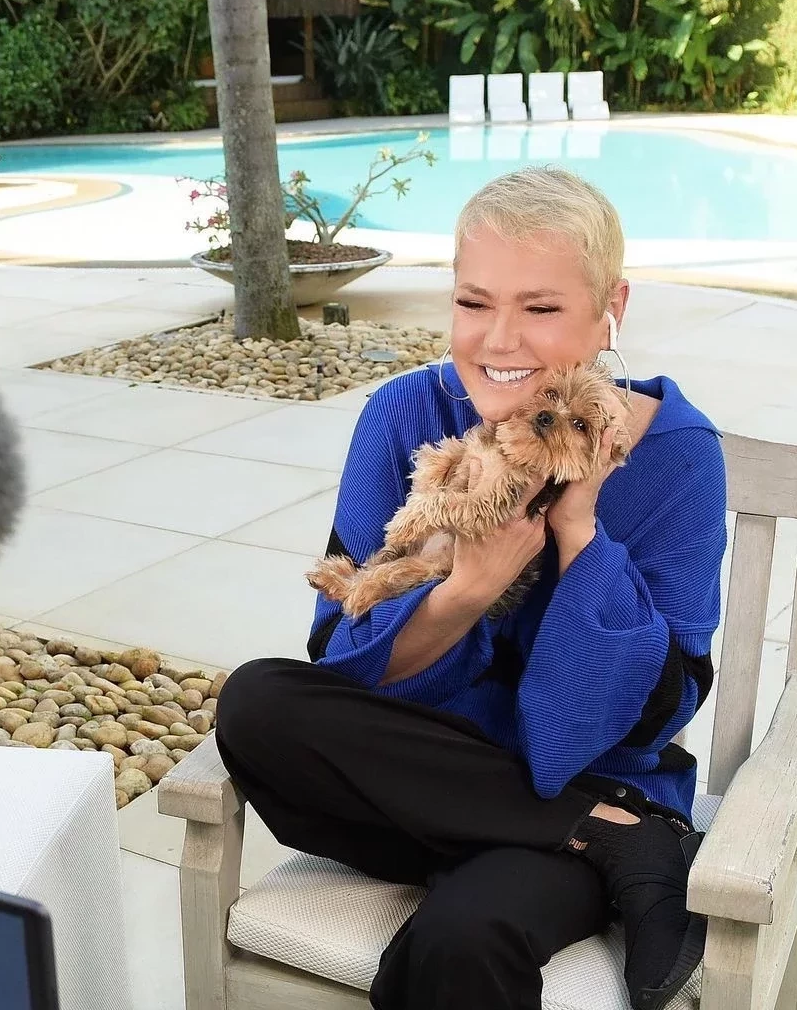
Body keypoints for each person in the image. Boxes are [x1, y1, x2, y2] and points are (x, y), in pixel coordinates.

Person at [214, 166, 726, 1010]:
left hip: (586, 774)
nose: (499, 339)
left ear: (611, 312)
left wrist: (579, 532)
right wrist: (466, 590)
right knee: (259, 702)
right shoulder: (404, 415)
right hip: (423, 773)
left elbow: (655, 714)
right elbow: (339, 658)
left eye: (542, 307)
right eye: (474, 301)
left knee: (466, 935)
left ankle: (588, 826)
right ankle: (616, 845)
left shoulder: (676, 453)